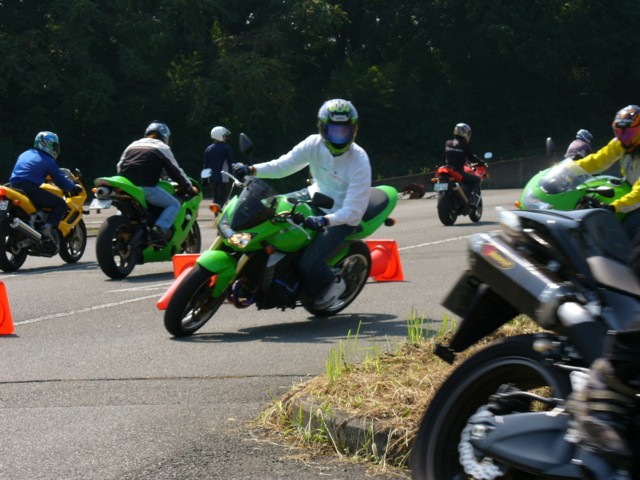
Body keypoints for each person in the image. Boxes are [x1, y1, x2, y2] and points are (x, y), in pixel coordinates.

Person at [231, 99, 371, 309]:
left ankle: (334, 283)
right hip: (312, 194)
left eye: (344, 131)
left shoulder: (359, 161)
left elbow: (353, 211)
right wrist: (251, 170)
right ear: (323, 128)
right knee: (266, 216)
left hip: (339, 215)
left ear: (353, 130)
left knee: (308, 263)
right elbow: (283, 165)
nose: (339, 137)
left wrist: (324, 220)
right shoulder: (313, 144)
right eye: (334, 130)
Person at [117, 121, 197, 246]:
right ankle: (159, 229)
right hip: (146, 187)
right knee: (174, 204)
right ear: (165, 137)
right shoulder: (162, 147)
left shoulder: (132, 145)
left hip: (126, 186)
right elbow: (176, 171)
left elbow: (120, 166)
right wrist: (188, 187)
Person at [576, 105, 640, 238]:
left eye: (628, 133)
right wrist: (570, 168)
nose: (623, 138)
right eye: (619, 132)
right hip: (630, 191)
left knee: (624, 232)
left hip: (637, 197)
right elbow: (597, 161)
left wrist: (614, 207)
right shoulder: (621, 144)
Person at [10, 131, 80, 251]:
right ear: (47, 145)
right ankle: (47, 228)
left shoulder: (25, 154)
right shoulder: (48, 160)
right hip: (29, 188)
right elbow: (61, 182)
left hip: (14, 186)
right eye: (54, 146)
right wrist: (73, 188)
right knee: (60, 204)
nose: (56, 149)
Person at [444, 123, 482, 207]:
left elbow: (445, 155)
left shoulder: (448, 143)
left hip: (447, 169)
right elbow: (471, 158)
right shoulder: (464, 146)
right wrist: (480, 161)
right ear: (465, 133)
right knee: (477, 180)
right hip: (458, 171)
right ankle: (471, 199)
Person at [202, 126, 233, 207]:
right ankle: (218, 214)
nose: (226, 138)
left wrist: (204, 179)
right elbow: (230, 164)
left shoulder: (208, 149)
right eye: (224, 136)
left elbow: (206, 165)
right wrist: (234, 176)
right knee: (222, 200)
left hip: (211, 179)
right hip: (223, 178)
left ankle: (215, 213)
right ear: (220, 136)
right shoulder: (226, 148)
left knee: (215, 199)